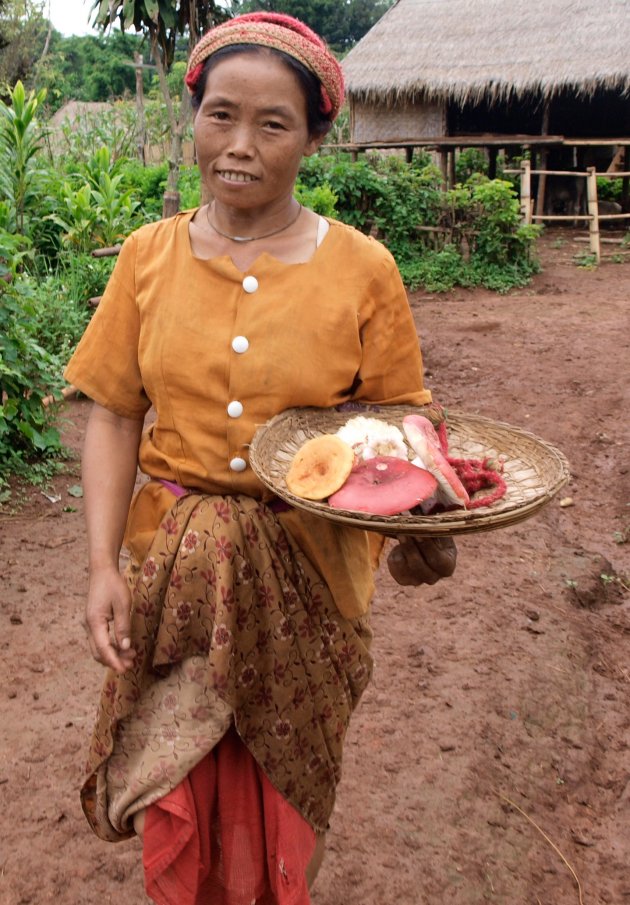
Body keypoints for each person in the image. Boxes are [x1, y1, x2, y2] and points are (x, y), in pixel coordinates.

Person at [64, 12, 456, 905]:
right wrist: (98, 566)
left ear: (316, 136)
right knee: (176, 791)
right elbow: (116, 415)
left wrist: (430, 523)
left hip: (312, 572)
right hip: (176, 571)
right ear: (194, 117)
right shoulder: (146, 259)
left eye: (273, 124)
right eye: (220, 116)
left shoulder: (363, 269)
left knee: (292, 785)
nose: (239, 146)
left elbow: (398, 425)